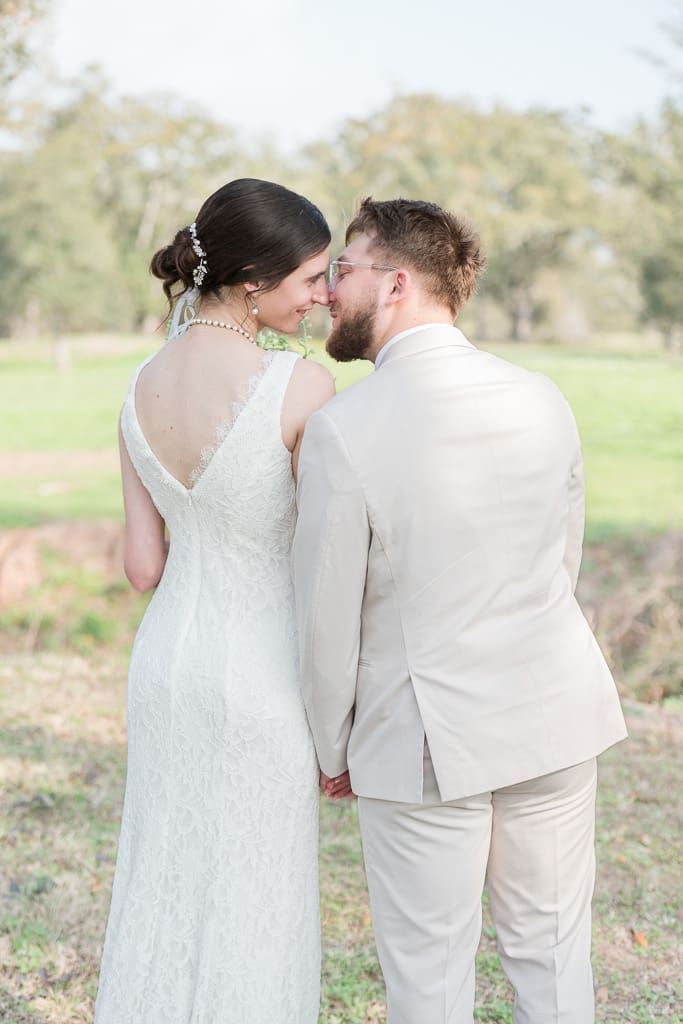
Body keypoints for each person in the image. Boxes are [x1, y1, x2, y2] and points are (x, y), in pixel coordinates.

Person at [293, 197, 628, 1024]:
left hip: (423, 740)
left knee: (429, 979)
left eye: (346, 268)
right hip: (553, 716)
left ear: (396, 282)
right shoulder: (540, 396)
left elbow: (324, 619)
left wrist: (333, 744)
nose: (331, 290)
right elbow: (561, 560)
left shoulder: (344, 428)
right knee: (552, 960)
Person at [94, 178, 334, 1024]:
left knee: (165, 874)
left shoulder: (137, 386)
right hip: (263, 675)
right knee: (256, 894)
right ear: (251, 282)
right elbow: (324, 562)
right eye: (311, 279)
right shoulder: (298, 389)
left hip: (166, 667)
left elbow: (141, 567)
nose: (322, 297)